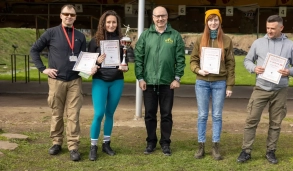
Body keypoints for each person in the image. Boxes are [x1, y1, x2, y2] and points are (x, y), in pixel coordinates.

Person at [236, 15, 293, 164]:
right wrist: (254, 68)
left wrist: (290, 71)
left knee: (276, 122)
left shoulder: (290, 45)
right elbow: (247, 60)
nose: (269, 31)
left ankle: (271, 151)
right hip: (261, 88)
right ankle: (246, 151)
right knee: (251, 120)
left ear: (281, 28)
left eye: (273, 28)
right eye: (267, 28)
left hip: (280, 90)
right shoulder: (258, 43)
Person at [30, 4, 87, 161]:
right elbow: (34, 50)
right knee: (57, 113)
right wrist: (43, 69)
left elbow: (83, 59)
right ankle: (56, 142)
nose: (69, 16)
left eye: (72, 14)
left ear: (75, 17)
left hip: (75, 80)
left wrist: (89, 69)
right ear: (61, 15)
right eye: (66, 13)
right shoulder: (51, 33)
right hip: (56, 80)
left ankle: (73, 146)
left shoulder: (81, 36)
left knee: (73, 114)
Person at [134, 6, 186, 156]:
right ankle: (151, 142)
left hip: (167, 83)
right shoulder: (145, 35)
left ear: (167, 17)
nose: (160, 19)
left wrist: (177, 78)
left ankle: (165, 143)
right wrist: (140, 77)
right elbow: (139, 58)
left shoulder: (175, 36)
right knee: (149, 114)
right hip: (148, 83)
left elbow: (180, 59)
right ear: (153, 18)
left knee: (166, 114)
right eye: (157, 16)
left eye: (163, 16)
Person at [190, 9, 235, 160]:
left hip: (219, 83)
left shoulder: (227, 40)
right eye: (210, 20)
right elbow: (193, 60)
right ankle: (200, 146)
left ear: (220, 21)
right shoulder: (199, 39)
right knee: (202, 115)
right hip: (202, 82)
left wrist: (229, 86)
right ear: (206, 22)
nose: (213, 23)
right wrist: (198, 70)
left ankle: (216, 146)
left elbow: (230, 65)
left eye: (216, 20)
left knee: (217, 115)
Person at [87, 10, 128, 161]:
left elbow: (126, 61)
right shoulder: (94, 41)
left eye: (114, 22)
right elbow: (87, 62)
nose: (111, 25)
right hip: (100, 81)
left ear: (117, 24)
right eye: (108, 22)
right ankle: (93, 146)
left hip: (117, 81)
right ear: (103, 24)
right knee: (98, 114)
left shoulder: (123, 41)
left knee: (110, 113)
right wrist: (96, 62)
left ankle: (106, 144)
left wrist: (125, 67)